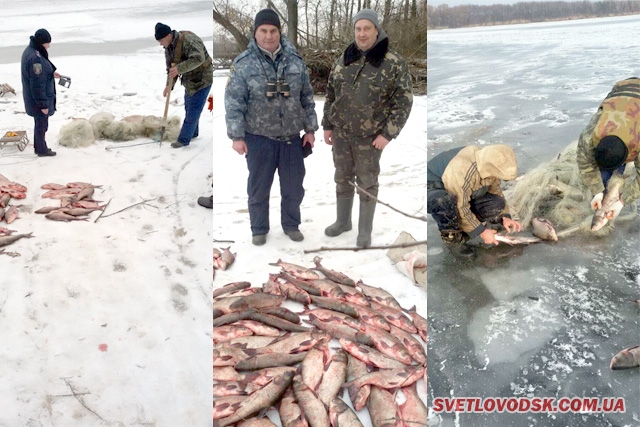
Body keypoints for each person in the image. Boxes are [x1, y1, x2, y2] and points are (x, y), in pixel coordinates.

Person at [224, 9, 318, 246]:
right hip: (258, 139)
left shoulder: (295, 61)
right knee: (258, 189)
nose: (268, 36)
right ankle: (259, 228)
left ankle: (291, 225)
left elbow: (306, 97)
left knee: (294, 188)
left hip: (291, 138)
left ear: (279, 32)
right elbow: (234, 101)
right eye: (263, 31)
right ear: (255, 33)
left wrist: (310, 129)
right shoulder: (243, 64)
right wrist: (236, 136)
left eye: (273, 30)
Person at [322, 9, 413, 248]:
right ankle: (343, 222)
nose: (362, 34)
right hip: (341, 133)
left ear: (376, 30)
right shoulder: (344, 58)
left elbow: (403, 102)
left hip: (370, 138)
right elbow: (331, 93)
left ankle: (364, 230)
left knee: (367, 182)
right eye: (358, 29)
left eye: (367, 28)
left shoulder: (392, 63)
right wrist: (327, 125)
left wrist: (388, 134)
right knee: (342, 178)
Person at [427, 144, 523, 258]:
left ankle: (467, 228)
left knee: (497, 203)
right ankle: (453, 240)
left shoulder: (489, 165)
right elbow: (460, 205)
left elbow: (496, 192)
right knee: (443, 201)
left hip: (459, 193)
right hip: (431, 189)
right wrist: (481, 231)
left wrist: (505, 216)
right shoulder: (461, 169)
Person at [577, 77, 640, 220]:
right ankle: (606, 185)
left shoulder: (637, 140)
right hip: (622, 88)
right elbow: (585, 163)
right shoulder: (590, 137)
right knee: (603, 175)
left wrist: (622, 201)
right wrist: (597, 191)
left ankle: (615, 177)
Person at [155, 22, 213, 148]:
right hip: (189, 80)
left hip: (203, 78)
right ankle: (193, 132)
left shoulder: (188, 40)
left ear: (168, 35)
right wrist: (169, 86)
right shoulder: (168, 49)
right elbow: (171, 69)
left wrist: (179, 69)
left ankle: (183, 139)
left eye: (161, 40)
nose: (160, 44)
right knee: (189, 106)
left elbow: (199, 58)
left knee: (193, 110)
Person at [21, 29, 60, 157]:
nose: (49, 46)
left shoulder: (32, 50)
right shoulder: (35, 59)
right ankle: (42, 150)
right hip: (38, 100)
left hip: (34, 98)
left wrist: (50, 73)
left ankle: (39, 147)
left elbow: (38, 75)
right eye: (48, 43)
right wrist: (43, 105)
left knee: (40, 124)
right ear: (42, 42)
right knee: (41, 125)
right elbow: (37, 85)